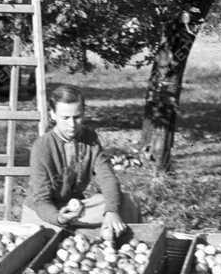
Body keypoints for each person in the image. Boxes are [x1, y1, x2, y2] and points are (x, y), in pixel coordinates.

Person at [24, 84, 142, 238]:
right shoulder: (42, 147)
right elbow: (40, 200)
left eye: (77, 117)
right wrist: (58, 217)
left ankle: (128, 244)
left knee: (128, 203)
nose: (72, 125)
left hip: (75, 208)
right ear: (53, 115)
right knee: (46, 234)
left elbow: (107, 177)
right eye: (65, 118)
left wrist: (111, 211)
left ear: (84, 113)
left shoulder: (90, 138)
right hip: (44, 212)